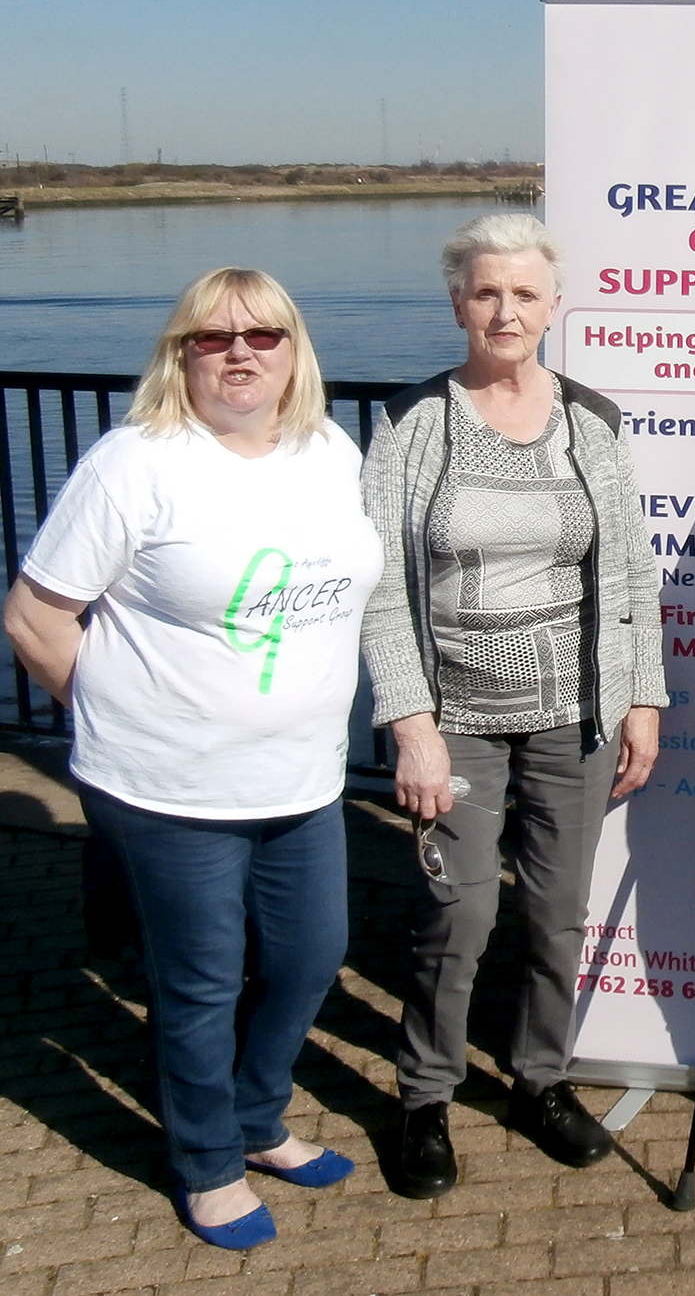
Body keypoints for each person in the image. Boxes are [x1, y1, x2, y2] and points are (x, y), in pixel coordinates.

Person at [2, 270, 383, 1251]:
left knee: (307, 959)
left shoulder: (328, 450)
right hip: (167, 787)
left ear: (295, 348)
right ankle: (206, 1158)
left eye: (263, 333)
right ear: (181, 355)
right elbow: (37, 618)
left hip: (301, 777)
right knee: (200, 980)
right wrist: (121, 718)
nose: (241, 351)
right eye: (213, 338)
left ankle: (258, 1116)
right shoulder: (137, 463)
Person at [360, 212, 667, 1195]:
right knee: (459, 914)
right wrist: (411, 726)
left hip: (573, 717)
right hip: (456, 719)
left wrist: (641, 701)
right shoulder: (414, 423)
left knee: (556, 917)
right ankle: (424, 1097)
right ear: (459, 302)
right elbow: (382, 587)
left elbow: (627, 572)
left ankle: (539, 1078)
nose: (505, 309)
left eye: (523, 293)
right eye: (486, 291)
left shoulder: (593, 422)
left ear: (552, 305)